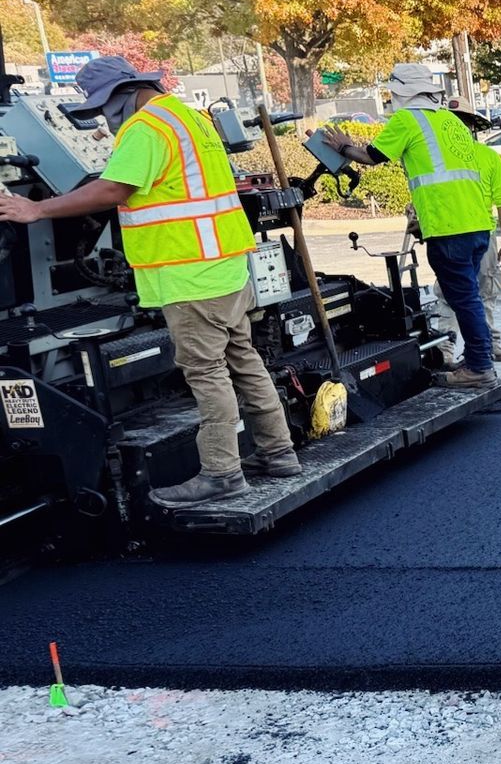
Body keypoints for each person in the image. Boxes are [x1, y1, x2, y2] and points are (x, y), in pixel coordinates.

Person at [0, 56, 298, 507]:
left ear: (121, 94)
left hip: (189, 273)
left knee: (207, 373)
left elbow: (112, 188)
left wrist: (36, 209)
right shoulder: (188, 117)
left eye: (102, 107)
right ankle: (279, 453)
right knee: (243, 359)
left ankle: (222, 474)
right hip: (225, 264)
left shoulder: (145, 127)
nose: (104, 116)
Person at [324, 65, 498, 387]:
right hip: (476, 225)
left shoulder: (407, 119)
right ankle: (479, 357)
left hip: (449, 228)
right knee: (469, 296)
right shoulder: (450, 120)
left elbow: (372, 156)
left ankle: (479, 367)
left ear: (401, 92)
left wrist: (344, 147)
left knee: (464, 300)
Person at [449, 97, 501, 363]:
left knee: (484, 290)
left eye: (462, 123)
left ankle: (489, 344)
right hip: (450, 233)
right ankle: (446, 349)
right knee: (450, 293)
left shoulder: (487, 157)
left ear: (472, 126)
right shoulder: (437, 160)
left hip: (480, 234)